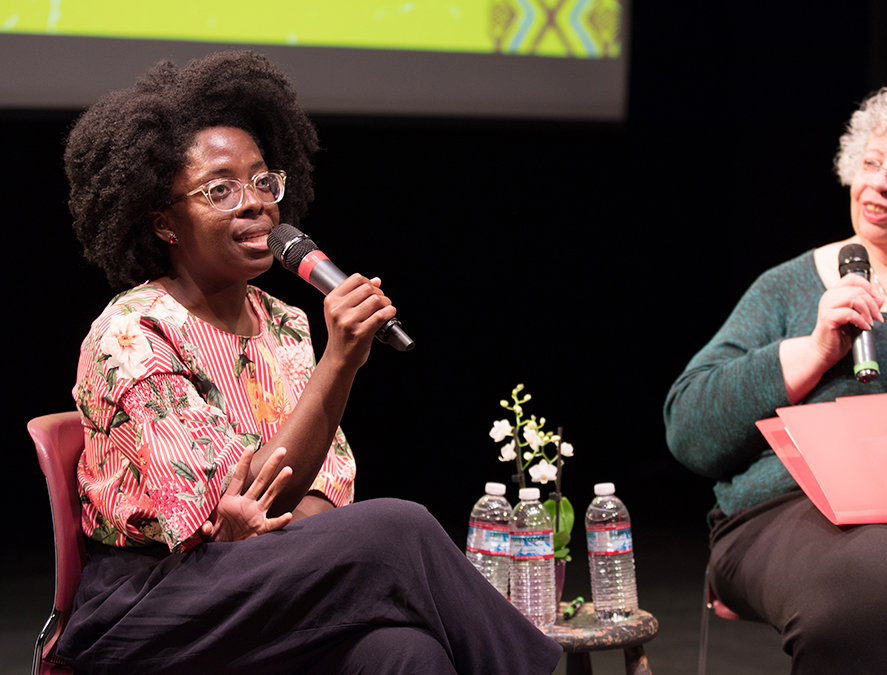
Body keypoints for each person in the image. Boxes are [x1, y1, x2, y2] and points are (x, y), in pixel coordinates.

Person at [58, 50, 562, 675]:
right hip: (152, 607)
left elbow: (321, 491)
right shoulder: (132, 332)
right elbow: (221, 514)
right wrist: (341, 363)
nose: (255, 204)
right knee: (399, 531)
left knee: (407, 653)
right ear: (164, 222)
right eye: (221, 190)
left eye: (264, 181)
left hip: (263, 574)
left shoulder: (287, 322)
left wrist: (285, 522)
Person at [665, 79, 887, 673]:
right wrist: (812, 350)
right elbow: (690, 431)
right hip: (795, 514)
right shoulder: (789, 286)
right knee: (872, 590)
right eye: (871, 163)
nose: (880, 182)